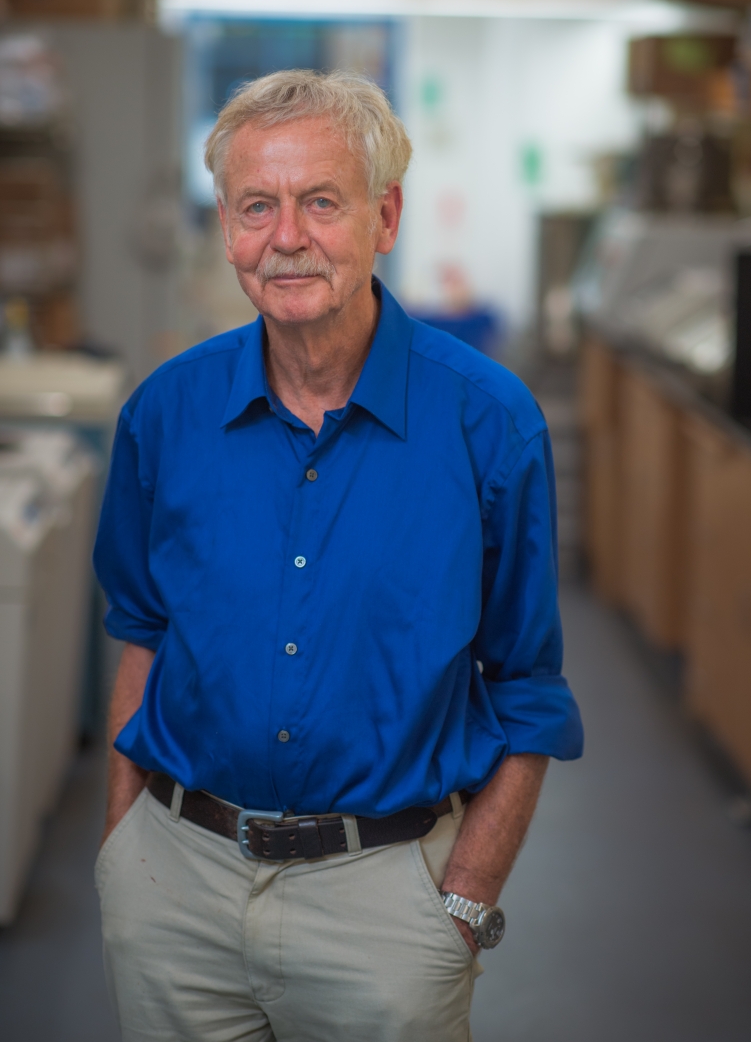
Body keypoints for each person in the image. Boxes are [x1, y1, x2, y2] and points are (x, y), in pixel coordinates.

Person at [93, 69, 583, 1042]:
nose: (286, 238)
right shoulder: (166, 414)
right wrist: (122, 863)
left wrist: (465, 900)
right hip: (176, 887)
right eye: (255, 206)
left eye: (321, 201)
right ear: (225, 225)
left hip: (388, 909)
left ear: (385, 216)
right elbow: (142, 636)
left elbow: (527, 684)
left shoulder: (489, 424)